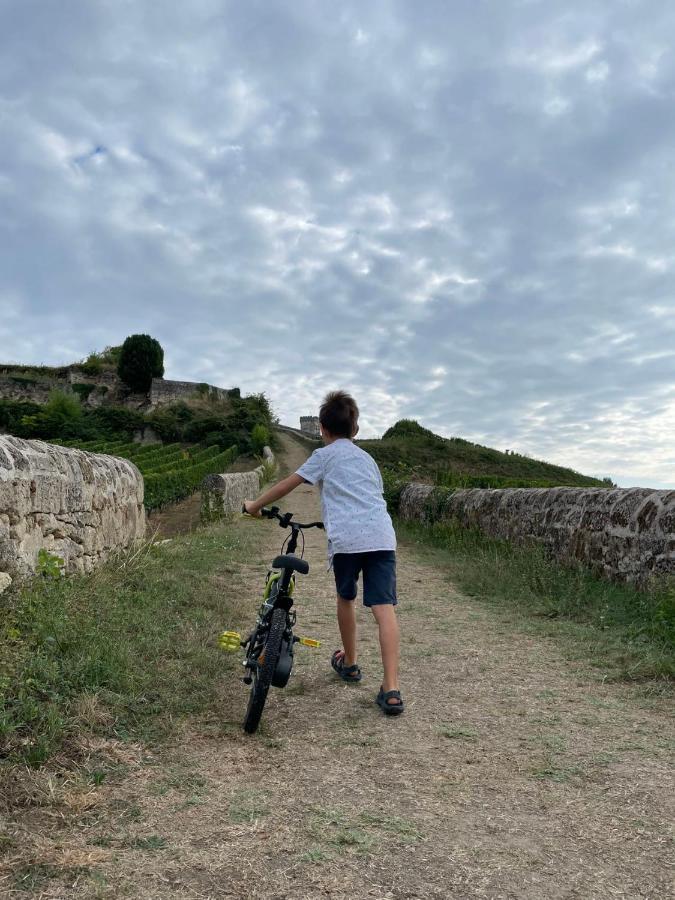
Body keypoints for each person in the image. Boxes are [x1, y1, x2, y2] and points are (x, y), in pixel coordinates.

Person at [244, 390, 403, 715]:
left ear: (322, 428)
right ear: (355, 430)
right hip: (382, 538)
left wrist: (255, 506)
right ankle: (391, 689)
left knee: (346, 598)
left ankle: (351, 662)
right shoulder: (368, 460)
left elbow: (288, 484)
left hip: (347, 541)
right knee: (384, 608)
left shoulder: (324, 455)